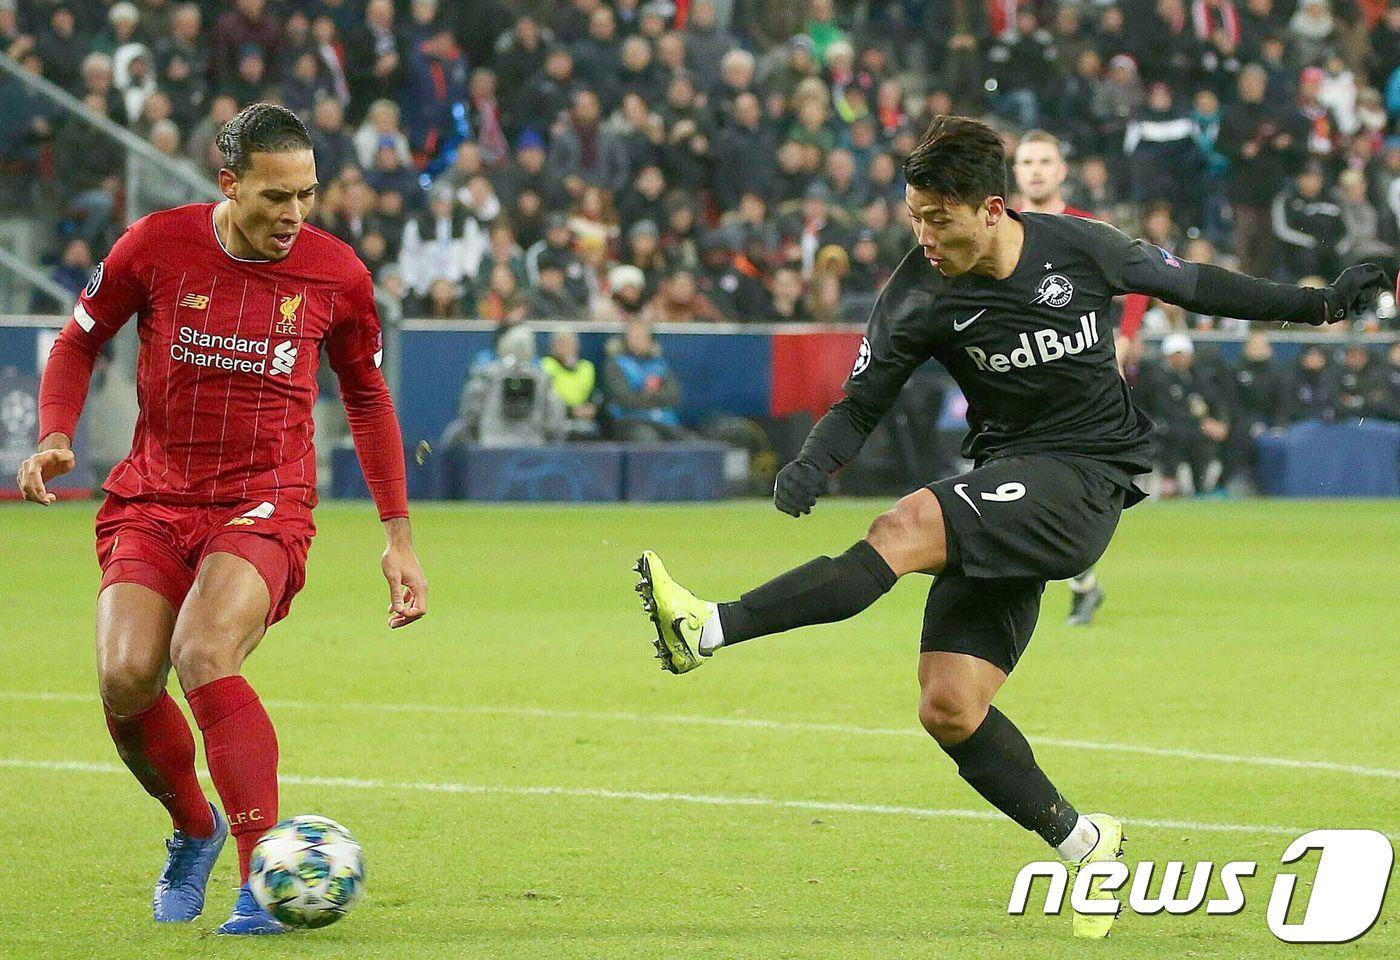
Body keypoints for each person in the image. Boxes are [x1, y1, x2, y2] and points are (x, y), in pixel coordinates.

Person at [630, 115, 1387, 940]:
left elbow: (1197, 285)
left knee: (906, 522)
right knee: (949, 706)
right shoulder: (918, 291)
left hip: (1087, 476)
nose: (922, 235)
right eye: (913, 216)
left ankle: (704, 628)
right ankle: (1084, 842)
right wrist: (814, 462)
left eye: (937, 218)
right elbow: (862, 401)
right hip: (1008, 482)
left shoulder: (1082, 247)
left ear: (991, 209)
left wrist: (1317, 306)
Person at [14, 103, 428, 936]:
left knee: (202, 651)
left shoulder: (336, 275)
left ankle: (260, 884)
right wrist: (56, 433)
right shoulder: (156, 245)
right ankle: (192, 827)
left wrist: (398, 540)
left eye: (308, 195)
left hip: (266, 498)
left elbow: (368, 399)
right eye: (277, 197)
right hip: (155, 496)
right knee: (127, 679)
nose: (295, 216)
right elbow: (77, 341)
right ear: (229, 183)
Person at [1012, 129, 1149, 626]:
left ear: (1061, 170)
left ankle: (1068, 583)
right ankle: (1082, 584)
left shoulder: (1086, 229)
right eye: (1027, 161)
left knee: (1049, 489)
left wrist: (1126, 337)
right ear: (1015, 170)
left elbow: (1139, 283)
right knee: (1029, 491)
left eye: (1045, 160)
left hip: (1076, 385)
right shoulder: (1002, 227)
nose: (1036, 170)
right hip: (1017, 378)